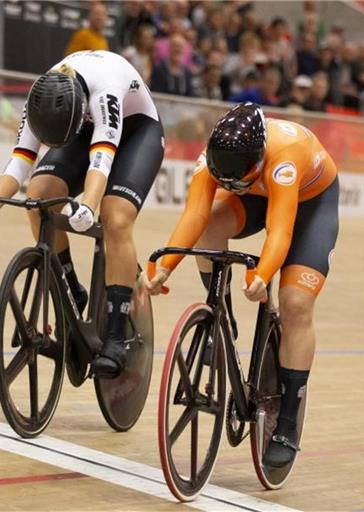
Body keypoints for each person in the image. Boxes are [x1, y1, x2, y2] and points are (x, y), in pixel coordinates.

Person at [146, 102, 339, 469]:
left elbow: (280, 231)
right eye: (225, 179)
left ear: (257, 160)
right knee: (209, 228)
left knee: (295, 302)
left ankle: (287, 422)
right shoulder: (212, 159)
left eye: (238, 179)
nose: (229, 184)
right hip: (255, 195)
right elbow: (195, 215)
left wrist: (263, 275)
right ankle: (222, 320)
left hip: (310, 204)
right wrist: (165, 267)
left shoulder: (284, 157)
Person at [0, 51, 164, 379]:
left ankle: (115, 335)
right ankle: (71, 286)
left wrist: (89, 203)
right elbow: (21, 158)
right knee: (39, 197)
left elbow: (101, 159)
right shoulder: (41, 96)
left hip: (136, 133)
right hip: (83, 129)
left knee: (115, 217)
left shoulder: (106, 91)